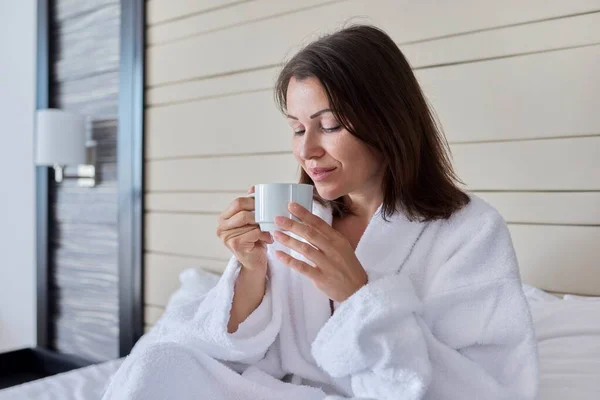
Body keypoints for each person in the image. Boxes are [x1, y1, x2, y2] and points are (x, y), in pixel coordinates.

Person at [103, 24, 539, 400]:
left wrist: (359, 296)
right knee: (158, 363)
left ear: (387, 120)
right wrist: (251, 271)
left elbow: (485, 388)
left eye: (328, 125)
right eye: (297, 127)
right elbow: (233, 349)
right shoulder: (299, 215)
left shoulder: (470, 231)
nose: (307, 150)